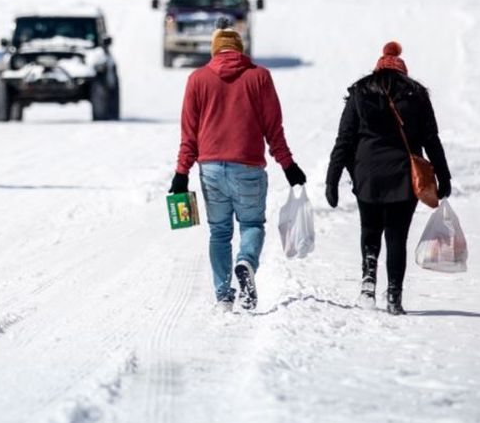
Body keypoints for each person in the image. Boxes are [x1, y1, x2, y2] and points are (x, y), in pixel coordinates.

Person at [170, 23, 306, 312]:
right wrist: (288, 165)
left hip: (211, 170)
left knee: (219, 233)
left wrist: (181, 173)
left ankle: (223, 297)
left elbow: (189, 134)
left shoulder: (197, 79)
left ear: (214, 50)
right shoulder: (260, 77)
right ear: (240, 50)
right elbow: (274, 129)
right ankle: (245, 261)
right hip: (248, 168)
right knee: (252, 225)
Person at [324, 42, 450, 315]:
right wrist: (443, 176)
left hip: (367, 175)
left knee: (370, 230)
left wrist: (331, 180)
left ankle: (368, 285)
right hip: (403, 177)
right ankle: (394, 295)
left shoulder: (359, 92)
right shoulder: (416, 94)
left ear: (378, 68)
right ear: (402, 70)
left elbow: (344, 140)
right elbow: (431, 140)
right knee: (396, 236)